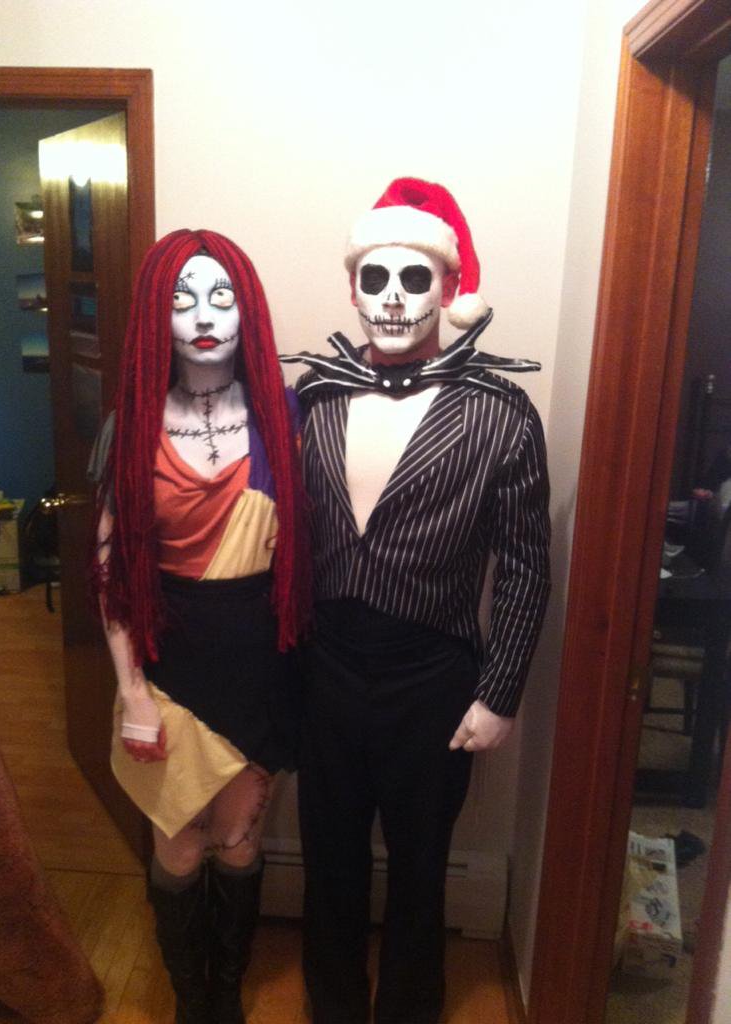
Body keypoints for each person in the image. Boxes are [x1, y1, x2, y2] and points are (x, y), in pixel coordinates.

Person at [282, 178, 551, 1024]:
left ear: (448, 288)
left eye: (414, 278)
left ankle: (407, 1010)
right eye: (375, 278)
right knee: (329, 857)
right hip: (327, 667)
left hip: (433, 676)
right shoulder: (314, 395)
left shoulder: (501, 414)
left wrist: (499, 695)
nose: (393, 299)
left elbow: (526, 565)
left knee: (421, 864)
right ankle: (333, 1007)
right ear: (352, 288)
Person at [90, 229, 309, 1024]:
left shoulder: (283, 416)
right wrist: (131, 694)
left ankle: (227, 993)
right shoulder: (130, 425)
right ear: (158, 315)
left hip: (261, 661)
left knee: (240, 838)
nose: (205, 316)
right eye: (183, 300)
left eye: (222, 297)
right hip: (166, 663)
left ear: (247, 311)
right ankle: (193, 1001)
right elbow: (111, 572)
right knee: (179, 844)